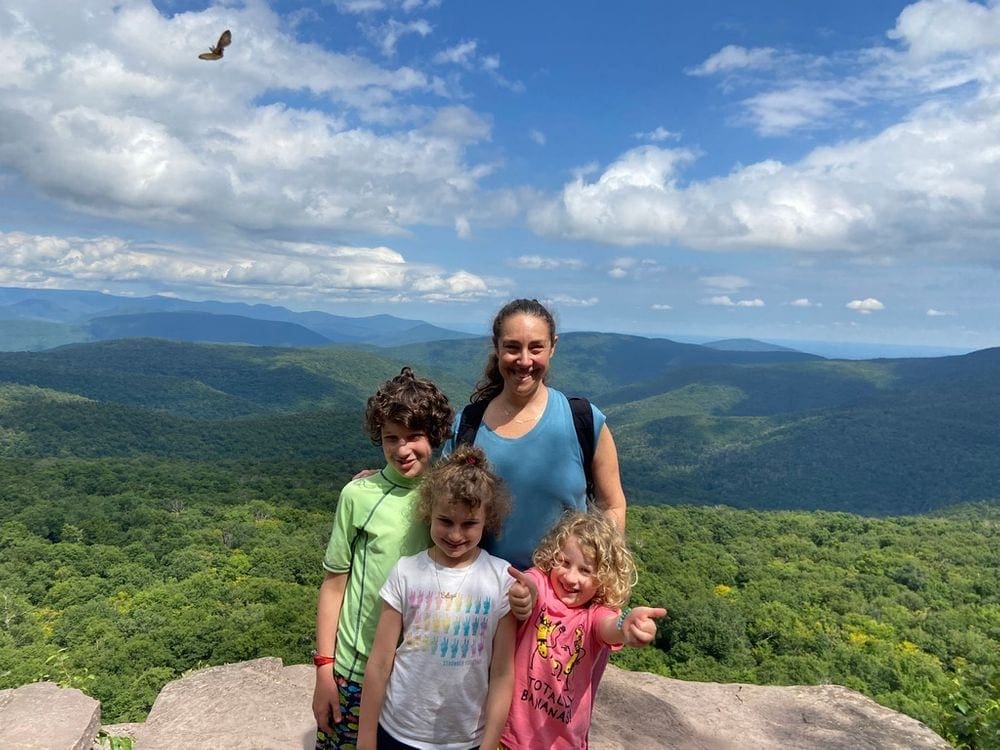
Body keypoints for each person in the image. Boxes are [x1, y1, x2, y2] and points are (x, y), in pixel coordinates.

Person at [312, 367, 454, 750]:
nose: (402, 449)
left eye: (415, 436)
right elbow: (334, 584)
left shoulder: (450, 500)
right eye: (391, 438)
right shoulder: (359, 496)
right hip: (354, 669)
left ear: (437, 436)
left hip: (419, 672)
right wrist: (325, 668)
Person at [444, 298, 627, 572]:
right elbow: (439, 500)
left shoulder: (584, 420)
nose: (525, 360)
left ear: (553, 346)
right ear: (496, 348)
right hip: (486, 597)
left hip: (562, 598)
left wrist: (595, 570)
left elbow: (612, 505)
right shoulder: (467, 426)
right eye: (512, 347)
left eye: (536, 347)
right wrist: (383, 481)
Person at [358, 445, 518, 750]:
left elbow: (501, 672)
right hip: (398, 729)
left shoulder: (501, 579)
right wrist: (366, 738)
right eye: (445, 521)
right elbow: (380, 662)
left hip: (465, 738)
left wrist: (489, 744)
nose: (456, 535)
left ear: (488, 520)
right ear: (428, 512)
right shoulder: (406, 572)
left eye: (469, 524)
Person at [500, 512, 667, 750]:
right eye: (564, 562)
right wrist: (522, 594)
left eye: (585, 571)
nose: (570, 577)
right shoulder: (543, 586)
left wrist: (627, 625)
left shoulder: (594, 614)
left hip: (563, 742)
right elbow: (531, 586)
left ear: (603, 579)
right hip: (511, 736)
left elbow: (610, 627)